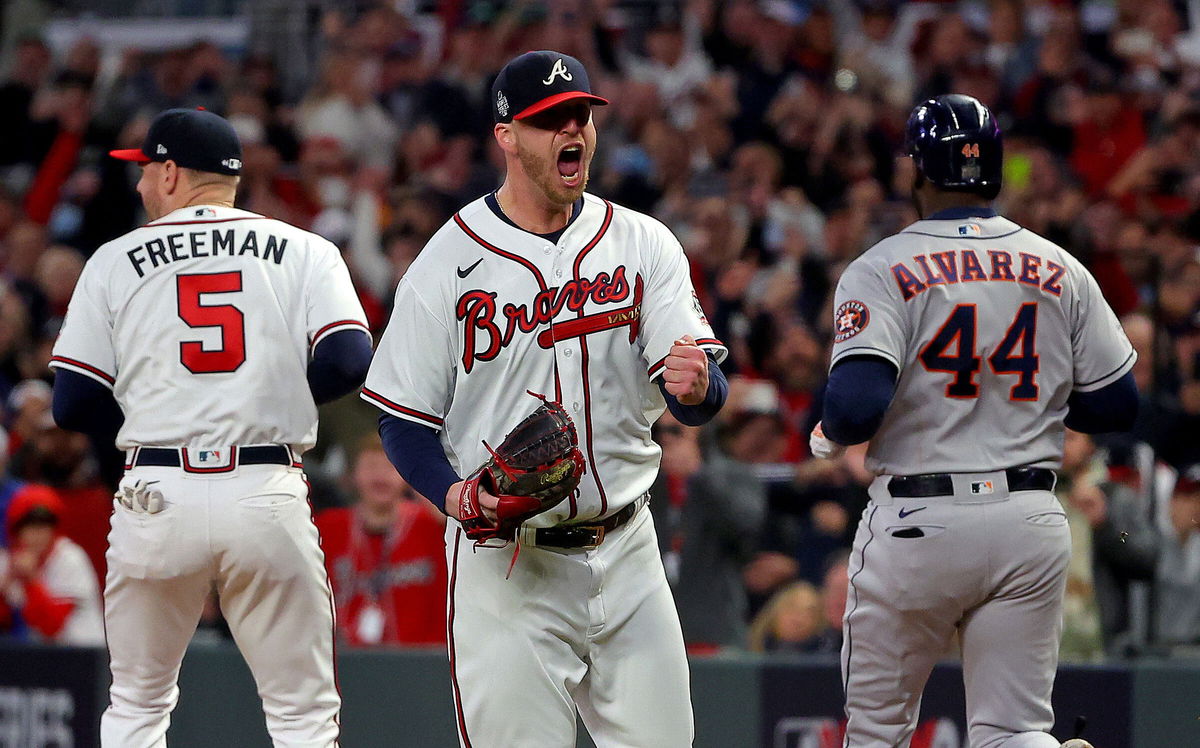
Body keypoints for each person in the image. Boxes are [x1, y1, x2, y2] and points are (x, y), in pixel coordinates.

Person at [362, 51, 729, 746]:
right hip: (508, 565)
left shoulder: (643, 242)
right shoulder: (447, 261)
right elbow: (402, 419)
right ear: (506, 136)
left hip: (627, 548)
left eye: (581, 115)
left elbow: (697, 391)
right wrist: (453, 496)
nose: (574, 130)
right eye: (549, 120)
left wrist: (700, 388)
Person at [810, 94, 1138, 748]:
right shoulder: (1059, 266)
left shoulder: (883, 266)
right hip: (1028, 517)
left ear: (917, 173)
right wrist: (1027, 393)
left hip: (920, 523)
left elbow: (854, 407)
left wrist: (828, 433)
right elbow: (1116, 404)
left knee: (877, 733)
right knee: (1013, 730)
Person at [49, 108, 372, 747]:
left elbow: (72, 401)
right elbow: (348, 359)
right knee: (302, 717)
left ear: (170, 173)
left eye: (144, 171)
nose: (139, 185)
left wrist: (151, 420)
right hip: (263, 484)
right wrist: (270, 395)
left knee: (137, 706)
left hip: (156, 492)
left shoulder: (114, 260)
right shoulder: (307, 249)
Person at [316, 434, 447, 646]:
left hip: (425, 661)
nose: (380, 477)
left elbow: (463, 528)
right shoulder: (329, 527)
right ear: (353, 475)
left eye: (389, 467)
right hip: (348, 662)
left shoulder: (431, 524)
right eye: (370, 467)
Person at [0, 484, 104, 645]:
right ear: (16, 530)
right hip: (43, 657)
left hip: (84, 656)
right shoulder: (12, 561)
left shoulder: (69, 558)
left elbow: (52, 626)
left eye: (45, 525)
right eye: (30, 526)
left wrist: (31, 580)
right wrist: (6, 585)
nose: (38, 533)